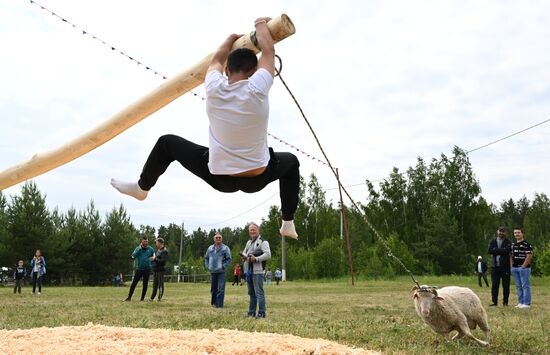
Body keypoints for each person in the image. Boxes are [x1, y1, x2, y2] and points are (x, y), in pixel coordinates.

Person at [110, 17, 299, 240]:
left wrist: (230, 39)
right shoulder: (258, 88)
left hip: (219, 178)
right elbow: (268, 50)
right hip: (257, 177)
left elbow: (217, 58)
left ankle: (143, 188)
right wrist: (260, 25)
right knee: (291, 163)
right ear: (255, 71)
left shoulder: (214, 87)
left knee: (166, 143)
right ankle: (287, 221)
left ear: (227, 71)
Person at [241, 223, 271, 318]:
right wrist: (244, 257)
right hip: (249, 271)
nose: (252, 231)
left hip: (257, 271)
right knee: (251, 293)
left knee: (259, 292)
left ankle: (262, 313)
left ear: (258, 230)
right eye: (250, 230)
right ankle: (251, 312)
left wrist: (256, 259)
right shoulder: (248, 242)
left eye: (254, 229)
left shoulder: (263, 242)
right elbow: (246, 253)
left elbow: (268, 255)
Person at [205, 233, 232, 308]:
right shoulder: (210, 248)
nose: (218, 239)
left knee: (220, 289)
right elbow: (206, 258)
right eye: (216, 237)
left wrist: (223, 266)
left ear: (221, 239)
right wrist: (207, 266)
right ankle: (214, 303)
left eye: (219, 237)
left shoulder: (225, 248)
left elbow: (229, 259)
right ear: (214, 239)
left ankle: (219, 305)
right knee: (213, 289)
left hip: (221, 272)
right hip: (212, 271)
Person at [124, 236, 155, 302]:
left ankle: (142, 299)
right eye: (144, 241)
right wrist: (139, 249)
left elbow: (154, 255)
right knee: (134, 283)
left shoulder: (150, 249)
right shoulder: (138, 248)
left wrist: (153, 258)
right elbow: (133, 256)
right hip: (139, 269)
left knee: (145, 284)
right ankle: (129, 297)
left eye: (147, 241)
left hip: (147, 269)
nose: (146, 243)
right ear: (142, 241)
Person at [487, 226, 512, 306]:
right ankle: (494, 302)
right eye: (500, 231)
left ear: (505, 232)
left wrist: (496, 250)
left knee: (506, 285)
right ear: (497, 231)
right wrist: (502, 250)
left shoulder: (508, 242)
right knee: (494, 285)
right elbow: (489, 251)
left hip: (505, 267)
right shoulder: (493, 241)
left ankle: (505, 302)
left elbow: (507, 251)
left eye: (503, 231)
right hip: (495, 267)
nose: (501, 233)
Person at [510, 227, 533, 309]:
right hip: (515, 269)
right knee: (518, 286)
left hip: (524, 269)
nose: (517, 234)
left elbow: (529, 256)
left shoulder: (527, 244)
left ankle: (527, 304)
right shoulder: (513, 245)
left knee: (525, 286)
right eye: (515, 233)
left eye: (518, 232)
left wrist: (523, 266)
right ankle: (521, 302)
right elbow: (511, 256)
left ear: (522, 233)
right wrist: (511, 267)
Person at [150, 237, 168, 302]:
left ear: (160, 243)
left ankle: (159, 298)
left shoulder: (164, 251)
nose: (156, 244)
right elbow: (157, 260)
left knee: (160, 285)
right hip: (155, 270)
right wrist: (153, 260)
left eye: (157, 242)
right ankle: (152, 298)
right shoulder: (158, 250)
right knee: (154, 285)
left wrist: (155, 259)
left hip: (160, 271)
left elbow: (163, 262)